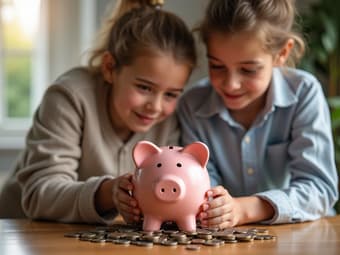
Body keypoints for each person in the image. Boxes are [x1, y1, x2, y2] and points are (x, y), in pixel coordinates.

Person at [0, 0, 196, 224]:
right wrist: (108, 192)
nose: (156, 106)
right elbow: (39, 195)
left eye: (171, 94)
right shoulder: (70, 96)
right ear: (110, 68)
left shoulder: (170, 119)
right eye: (144, 87)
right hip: (19, 232)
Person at [177, 0, 338, 229]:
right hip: (225, 237)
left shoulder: (304, 93)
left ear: (282, 53)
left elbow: (319, 189)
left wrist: (244, 209)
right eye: (217, 66)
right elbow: (200, 188)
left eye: (248, 70)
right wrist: (214, 206)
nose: (231, 84)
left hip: (304, 232)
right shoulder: (192, 105)